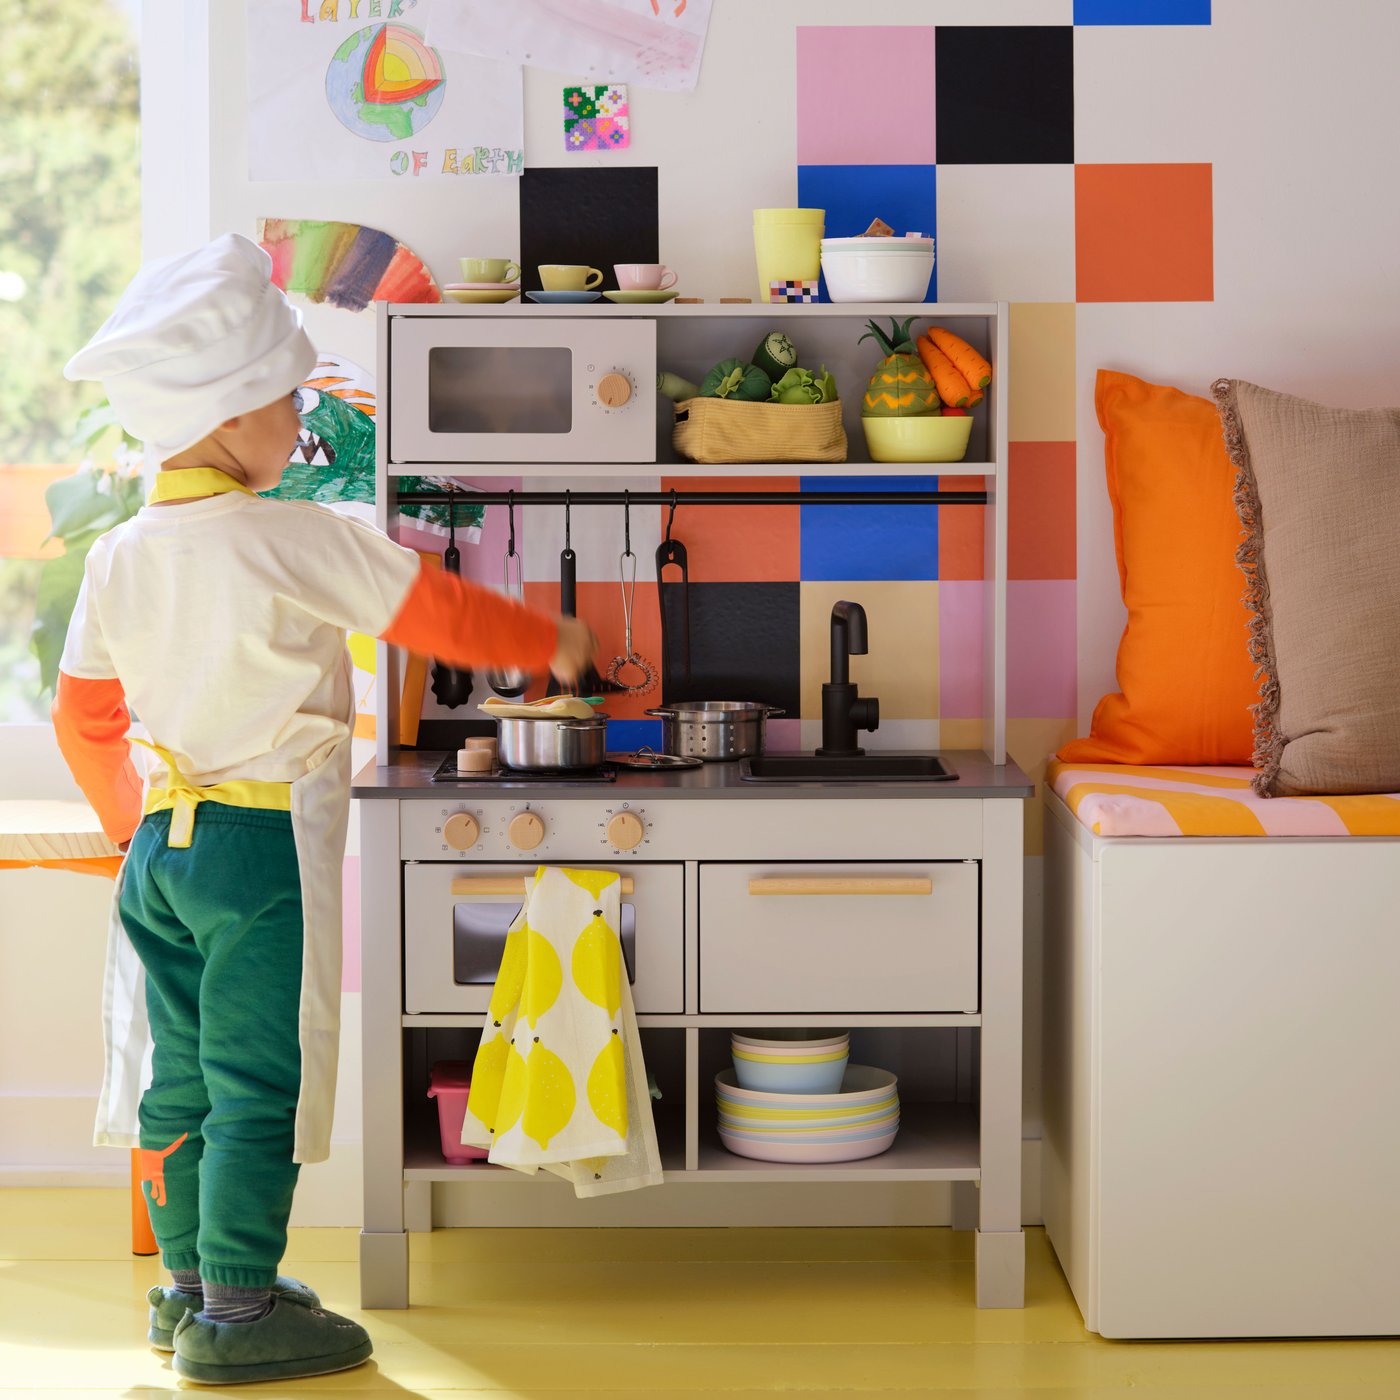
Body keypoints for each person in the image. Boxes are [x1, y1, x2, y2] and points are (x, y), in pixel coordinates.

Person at [51, 233, 594, 1385]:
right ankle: (241, 1313)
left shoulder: (120, 555)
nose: (302, 420)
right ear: (227, 414)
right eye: (288, 399)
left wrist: (130, 824)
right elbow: (435, 611)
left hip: (162, 851)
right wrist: (549, 637)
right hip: (259, 852)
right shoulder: (294, 538)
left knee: (182, 1074)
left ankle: (188, 1287)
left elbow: (83, 715)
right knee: (261, 1078)